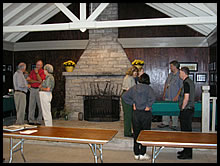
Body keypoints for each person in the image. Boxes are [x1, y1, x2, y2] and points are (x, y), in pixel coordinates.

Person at [122, 73, 156, 160]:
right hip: (145, 114)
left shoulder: (134, 88)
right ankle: (143, 153)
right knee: (145, 134)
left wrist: (133, 103)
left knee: (136, 133)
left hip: (136, 113)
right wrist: (148, 105)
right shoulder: (149, 88)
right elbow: (153, 98)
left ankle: (136, 153)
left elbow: (124, 96)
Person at [158, 60, 183, 130]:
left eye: (171, 66)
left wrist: (177, 96)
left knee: (174, 109)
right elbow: (166, 85)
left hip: (175, 96)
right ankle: (165, 122)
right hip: (167, 95)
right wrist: (164, 94)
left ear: (175, 66)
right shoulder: (170, 75)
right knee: (165, 108)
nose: (170, 68)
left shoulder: (180, 75)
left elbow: (181, 87)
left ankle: (174, 124)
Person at [177, 67, 195, 160]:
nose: (179, 74)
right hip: (189, 109)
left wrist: (182, 109)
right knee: (185, 132)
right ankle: (185, 150)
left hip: (186, 110)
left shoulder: (186, 83)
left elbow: (186, 98)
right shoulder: (189, 81)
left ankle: (188, 154)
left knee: (186, 132)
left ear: (184, 73)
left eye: (180, 72)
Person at [27, 60, 46, 125]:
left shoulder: (43, 72)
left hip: (39, 90)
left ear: (42, 65)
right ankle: (31, 120)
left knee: (40, 106)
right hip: (32, 89)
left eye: (39, 65)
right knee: (31, 105)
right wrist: (36, 81)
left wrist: (37, 73)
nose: (37, 66)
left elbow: (41, 81)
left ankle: (39, 120)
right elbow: (29, 80)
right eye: (37, 65)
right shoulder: (32, 71)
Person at [121, 66, 138, 137]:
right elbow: (129, 89)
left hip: (128, 96)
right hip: (127, 97)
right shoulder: (128, 78)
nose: (136, 73)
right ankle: (127, 132)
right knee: (128, 115)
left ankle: (129, 131)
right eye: (135, 72)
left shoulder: (131, 78)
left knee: (129, 115)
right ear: (132, 71)